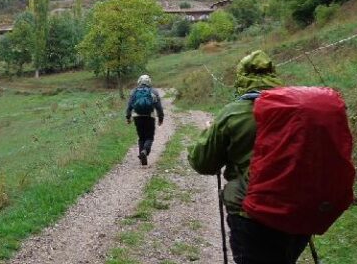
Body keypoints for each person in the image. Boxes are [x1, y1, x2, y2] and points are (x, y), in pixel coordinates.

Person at [187, 50, 309, 264]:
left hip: (250, 213)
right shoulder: (299, 110)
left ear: (241, 77)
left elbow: (203, 163)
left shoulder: (233, 113)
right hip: (296, 210)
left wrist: (208, 133)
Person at [125, 74, 164, 165]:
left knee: (141, 137)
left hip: (137, 117)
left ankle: (142, 158)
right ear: (149, 82)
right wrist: (160, 118)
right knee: (149, 137)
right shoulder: (153, 91)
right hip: (149, 117)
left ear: (139, 81)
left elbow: (129, 106)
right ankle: (145, 151)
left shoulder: (134, 92)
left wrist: (128, 117)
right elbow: (159, 108)